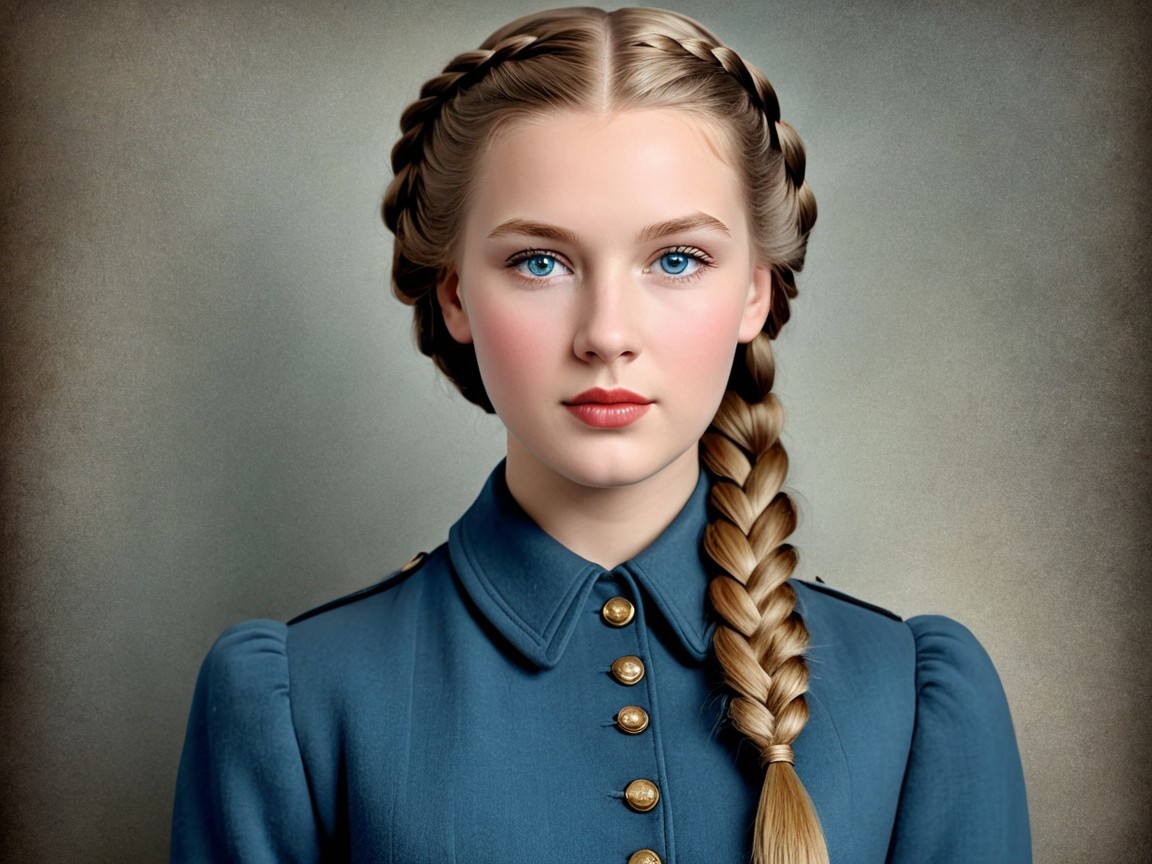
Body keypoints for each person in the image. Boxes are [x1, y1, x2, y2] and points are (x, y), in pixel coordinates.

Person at [171, 7, 1030, 863]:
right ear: (455, 295)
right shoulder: (296, 702)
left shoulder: (913, 701)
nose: (606, 333)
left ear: (756, 294)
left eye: (677, 259)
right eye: (539, 261)